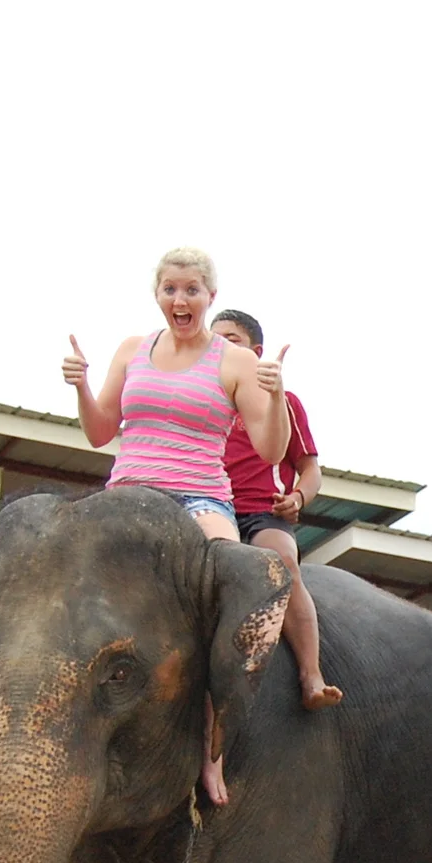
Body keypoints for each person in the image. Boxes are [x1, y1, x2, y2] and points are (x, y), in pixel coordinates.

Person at [61, 249, 298, 808]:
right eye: (170, 289)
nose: (179, 300)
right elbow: (100, 432)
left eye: (191, 290)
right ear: (158, 295)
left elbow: (270, 448)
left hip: (199, 497)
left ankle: (212, 748)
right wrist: (81, 384)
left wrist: (277, 393)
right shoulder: (132, 350)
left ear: (209, 296)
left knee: (236, 580)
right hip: (128, 493)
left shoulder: (234, 362)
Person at [211, 307, 341, 711]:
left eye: (231, 340)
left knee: (283, 559)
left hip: (263, 512)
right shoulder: (208, 402)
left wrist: (298, 498)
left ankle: (310, 673)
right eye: (215, 341)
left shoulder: (285, 402)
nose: (221, 348)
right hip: (212, 507)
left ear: (256, 350)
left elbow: (310, 469)